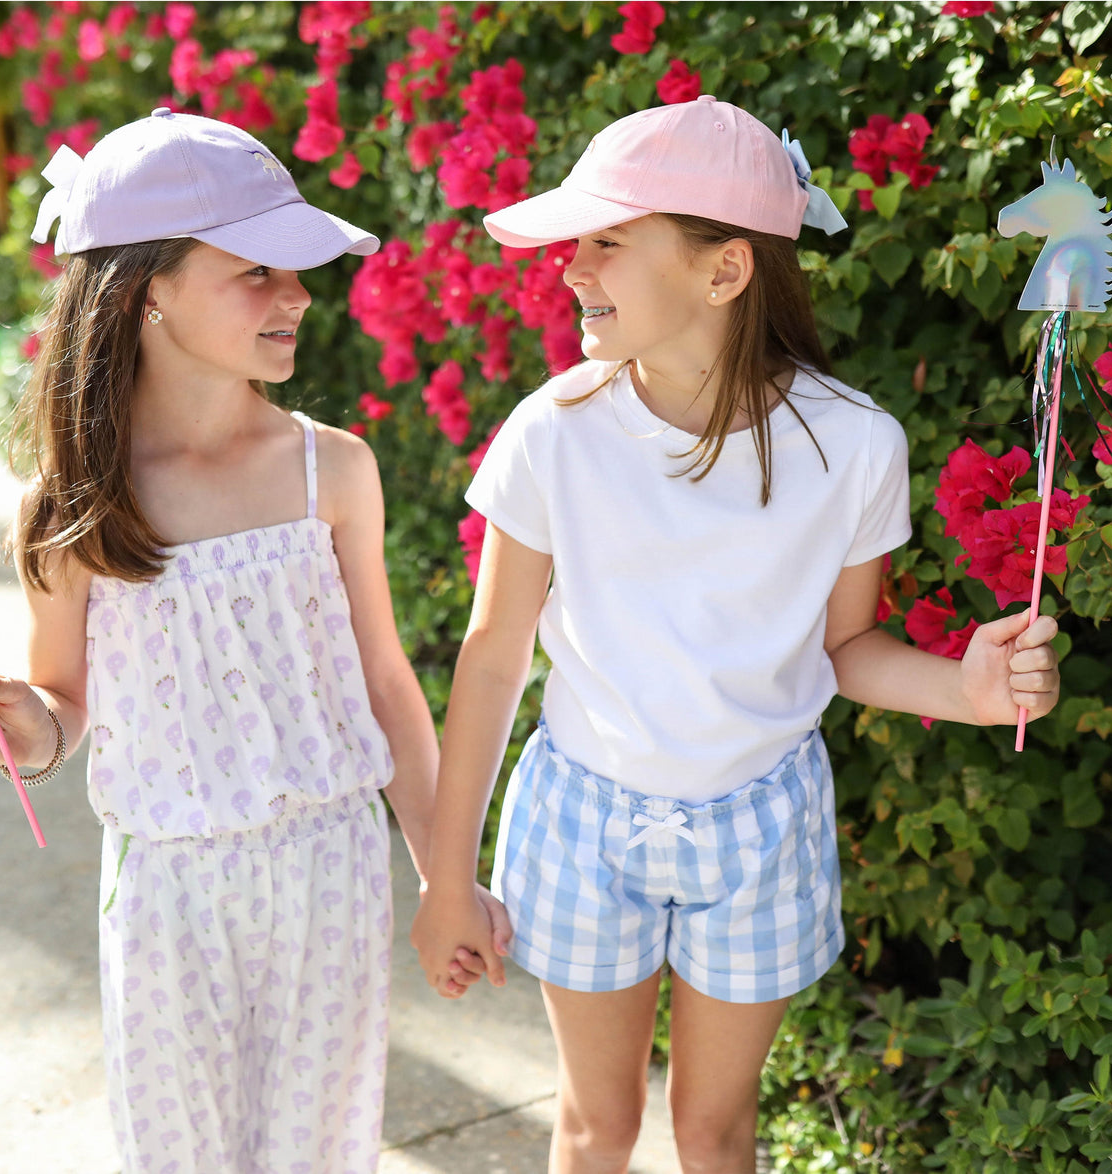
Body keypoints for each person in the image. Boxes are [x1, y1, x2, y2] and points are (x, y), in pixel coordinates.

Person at [411, 97, 1062, 1174]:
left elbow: (844, 652)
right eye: (577, 244)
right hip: (581, 817)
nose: (571, 269)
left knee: (715, 1134)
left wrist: (972, 689)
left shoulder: (854, 446)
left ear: (723, 272)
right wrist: (446, 880)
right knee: (594, 1126)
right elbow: (489, 662)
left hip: (761, 831)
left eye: (607, 242)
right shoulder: (553, 433)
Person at [0, 109, 505, 1174]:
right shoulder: (71, 507)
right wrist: (23, 722)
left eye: (297, 269)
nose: (296, 295)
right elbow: (64, 701)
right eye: (257, 270)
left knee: (319, 1152)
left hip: (328, 872)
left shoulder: (329, 472)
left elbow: (384, 682)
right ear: (146, 289)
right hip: (168, 891)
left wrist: (444, 876)